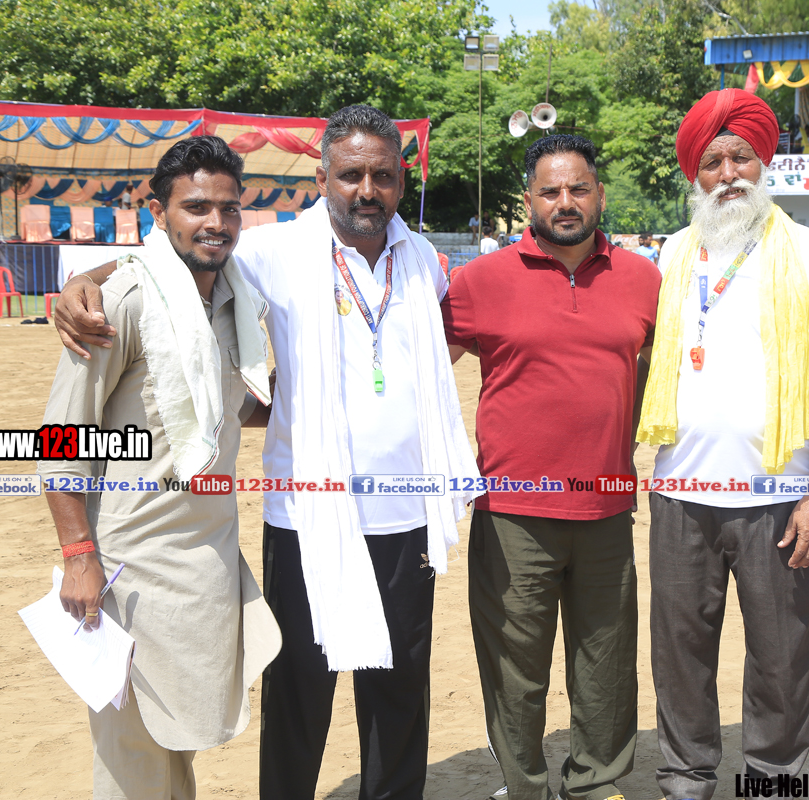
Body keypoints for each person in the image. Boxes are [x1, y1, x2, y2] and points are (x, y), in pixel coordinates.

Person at [51, 105, 482, 800]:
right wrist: (85, 282)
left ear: (402, 181)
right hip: (306, 515)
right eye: (350, 174)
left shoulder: (424, 261)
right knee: (300, 695)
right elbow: (169, 259)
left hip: (407, 514)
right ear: (322, 179)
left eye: (382, 175)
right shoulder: (273, 252)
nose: (366, 189)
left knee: (401, 691)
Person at [39, 135, 282, 799]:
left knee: (174, 739)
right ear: (159, 212)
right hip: (129, 565)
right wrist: (79, 556)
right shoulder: (119, 302)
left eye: (228, 208)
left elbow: (231, 407)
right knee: (132, 752)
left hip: (208, 558)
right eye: (196, 207)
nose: (215, 222)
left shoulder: (237, 298)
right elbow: (60, 439)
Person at [637, 88, 809, 797]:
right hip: (680, 492)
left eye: (741, 158)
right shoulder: (673, 252)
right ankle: (685, 776)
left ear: (764, 164)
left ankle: (774, 778)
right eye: (712, 162)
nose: (728, 174)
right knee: (679, 653)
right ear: (694, 174)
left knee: (781, 658)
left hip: (779, 498)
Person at [442, 133, 660, 800]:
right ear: (529, 199)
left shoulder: (644, 279)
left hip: (607, 507)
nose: (566, 202)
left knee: (607, 663)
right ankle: (525, 787)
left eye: (579, 188)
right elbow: (419, 369)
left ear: (599, 194)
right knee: (515, 669)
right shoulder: (479, 281)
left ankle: (596, 783)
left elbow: (668, 367)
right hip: (513, 512)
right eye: (551, 191)